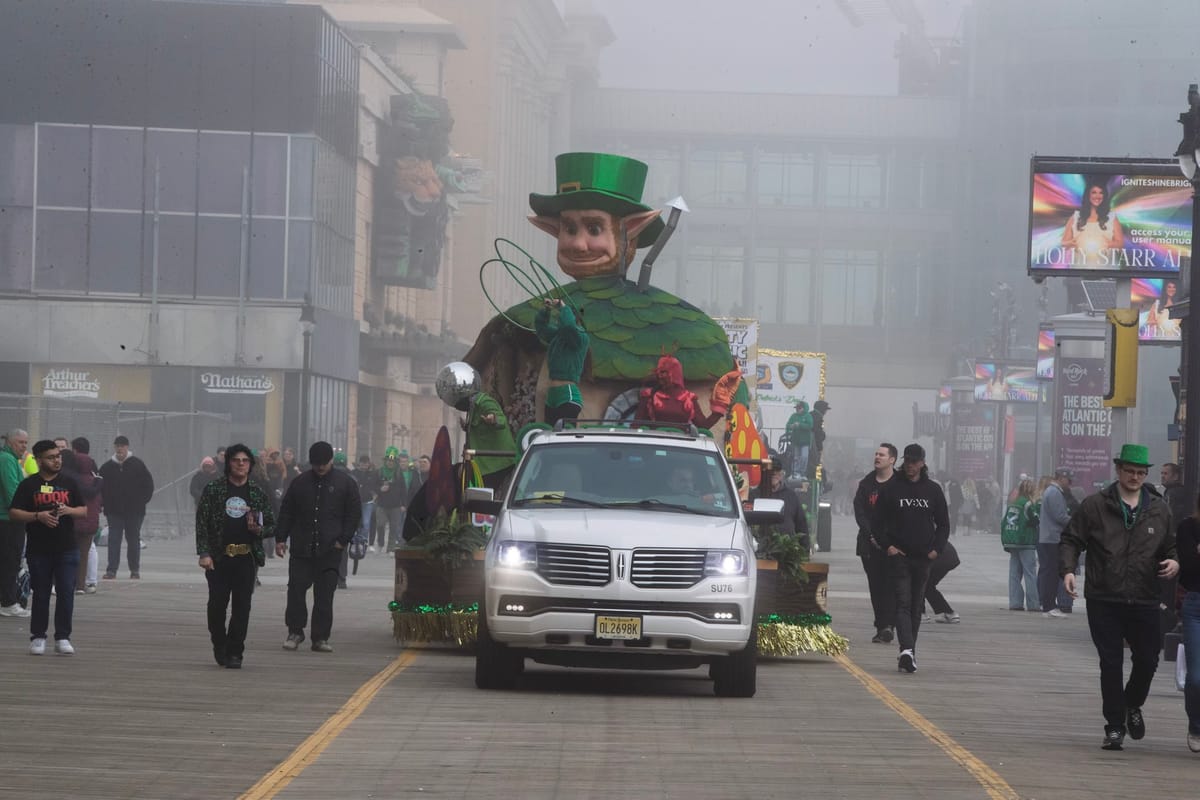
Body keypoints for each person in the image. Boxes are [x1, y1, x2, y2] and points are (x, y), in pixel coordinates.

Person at [1060, 443, 1178, 751]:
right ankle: (1114, 726)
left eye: (1141, 472)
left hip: (1144, 597)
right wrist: (1068, 570)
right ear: (1118, 470)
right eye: (1130, 471)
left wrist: (1174, 560)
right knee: (1110, 662)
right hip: (1104, 596)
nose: (1135, 477)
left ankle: (1132, 704)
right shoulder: (1095, 505)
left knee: (1148, 659)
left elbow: (1170, 545)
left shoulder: (1158, 508)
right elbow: (1071, 539)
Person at [274, 441, 361, 654]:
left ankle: (320, 637)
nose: (320, 467)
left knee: (324, 595)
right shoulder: (300, 483)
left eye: (323, 463)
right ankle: (295, 632)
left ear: (331, 460)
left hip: (331, 549)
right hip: (302, 548)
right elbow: (287, 511)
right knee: (295, 591)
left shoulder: (345, 483)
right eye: (316, 464)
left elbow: (353, 514)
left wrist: (344, 539)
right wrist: (280, 538)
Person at [195, 443, 275, 669]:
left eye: (245, 461)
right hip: (219, 558)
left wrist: (259, 530)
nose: (241, 464)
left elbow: (270, 523)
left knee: (242, 607)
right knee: (217, 606)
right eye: (236, 460)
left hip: (246, 558)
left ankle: (235, 651)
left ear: (251, 465)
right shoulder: (214, 489)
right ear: (228, 463)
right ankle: (219, 643)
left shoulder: (256, 493)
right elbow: (202, 524)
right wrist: (204, 552)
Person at [875, 443, 949, 674]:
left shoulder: (933, 490)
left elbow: (944, 524)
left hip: (924, 557)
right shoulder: (892, 488)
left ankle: (909, 652)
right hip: (900, 556)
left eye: (915, 462)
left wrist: (937, 549)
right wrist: (888, 546)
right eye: (907, 461)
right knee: (903, 603)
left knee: (917, 606)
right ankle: (906, 648)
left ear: (922, 463)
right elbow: (877, 522)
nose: (910, 465)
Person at [8, 440, 87, 655]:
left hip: (67, 547)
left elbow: (84, 510)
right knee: (41, 593)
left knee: (65, 592)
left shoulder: (70, 482)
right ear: (39, 459)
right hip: (39, 547)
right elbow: (14, 512)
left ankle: (62, 637)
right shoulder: (29, 484)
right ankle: (38, 636)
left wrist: (68, 510)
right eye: (51, 457)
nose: (57, 460)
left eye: (58, 456)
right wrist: (37, 516)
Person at [853, 443, 899, 644]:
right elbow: (860, 512)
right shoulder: (866, 484)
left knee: (892, 586)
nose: (877, 457)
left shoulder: (900, 483)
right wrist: (871, 534)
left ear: (892, 460)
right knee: (876, 586)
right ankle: (882, 626)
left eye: (882, 454)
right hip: (869, 544)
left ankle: (888, 624)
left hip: (895, 545)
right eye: (876, 454)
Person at [99, 434, 154, 580]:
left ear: (127, 447)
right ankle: (111, 570)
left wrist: (142, 502)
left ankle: (134, 569)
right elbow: (100, 487)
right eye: (117, 446)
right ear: (114, 447)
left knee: (133, 539)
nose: (119, 449)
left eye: (122, 446)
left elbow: (148, 485)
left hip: (135, 511)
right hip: (114, 511)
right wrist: (105, 504)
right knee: (114, 540)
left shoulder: (137, 464)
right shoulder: (107, 467)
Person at [1173, 490, 1200, 752]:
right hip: (1196, 604)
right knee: (1196, 678)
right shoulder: (1188, 527)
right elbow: (1190, 567)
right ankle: (1196, 725)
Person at [535, 297, 589, 424]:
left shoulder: (580, 337)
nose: (559, 318)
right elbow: (541, 329)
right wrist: (546, 310)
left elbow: (569, 327)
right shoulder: (558, 336)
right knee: (549, 433)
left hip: (567, 395)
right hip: (552, 395)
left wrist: (564, 308)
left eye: (563, 315)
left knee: (563, 434)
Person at [0, 427, 31, 617]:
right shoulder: (6, 459)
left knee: (8, 560)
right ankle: (8, 602)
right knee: (10, 561)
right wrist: (26, 512)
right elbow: (12, 490)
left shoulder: (10, 459)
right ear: (11, 442)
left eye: (26, 443)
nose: (24, 446)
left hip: (9, 518)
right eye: (21, 442)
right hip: (9, 520)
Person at [1060, 178, 1125, 267]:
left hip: (1106, 267)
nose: (1097, 196)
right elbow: (1064, 242)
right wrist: (1072, 243)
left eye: (1101, 192)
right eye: (1094, 192)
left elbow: (1120, 243)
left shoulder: (1111, 217)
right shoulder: (1076, 217)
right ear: (1088, 195)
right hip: (1079, 266)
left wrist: (1108, 244)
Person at [750, 457, 810, 550]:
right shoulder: (753, 496)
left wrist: (805, 549)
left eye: (777, 470)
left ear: (781, 474)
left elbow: (801, 524)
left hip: (787, 551)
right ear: (763, 473)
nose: (774, 473)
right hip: (760, 551)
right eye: (770, 470)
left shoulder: (791, 496)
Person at [1038, 467, 1075, 618]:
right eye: (1069, 480)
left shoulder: (1050, 491)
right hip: (1053, 538)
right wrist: (1077, 522)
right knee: (1052, 574)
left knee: (1049, 572)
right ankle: (1049, 606)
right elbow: (1060, 516)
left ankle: (1048, 605)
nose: (1070, 483)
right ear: (1061, 478)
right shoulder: (1055, 493)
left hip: (1048, 537)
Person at [68, 438, 103, 595]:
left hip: (73, 522)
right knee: (85, 554)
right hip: (90, 524)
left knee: (68, 553)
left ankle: (68, 582)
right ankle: (81, 585)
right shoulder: (96, 481)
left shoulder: (70, 480)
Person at [1002, 478, 1040, 612]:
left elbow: (1004, 522)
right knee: (1030, 573)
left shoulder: (1013, 503)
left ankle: (1015, 603)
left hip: (1012, 542)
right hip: (1026, 542)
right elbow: (1036, 520)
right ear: (1031, 490)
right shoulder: (1028, 504)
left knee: (1014, 574)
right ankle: (1034, 604)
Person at [923, 539, 961, 624]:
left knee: (922, 584)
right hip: (948, 555)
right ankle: (950, 613)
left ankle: (921, 614)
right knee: (927, 586)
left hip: (941, 556)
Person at [784, 401, 813, 479]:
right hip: (795, 441)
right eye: (797, 408)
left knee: (804, 457)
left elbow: (810, 426)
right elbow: (788, 425)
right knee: (795, 457)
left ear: (804, 408)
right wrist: (791, 426)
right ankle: (795, 473)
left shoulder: (808, 416)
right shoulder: (793, 416)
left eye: (799, 408)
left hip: (805, 441)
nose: (797, 410)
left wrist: (800, 425)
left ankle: (802, 473)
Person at [808, 399, 830, 479]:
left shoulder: (810, 415)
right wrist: (823, 435)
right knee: (814, 465)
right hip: (814, 448)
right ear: (822, 409)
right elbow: (817, 434)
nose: (826, 412)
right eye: (825, 409)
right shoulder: (818, 417)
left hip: (810, 447)